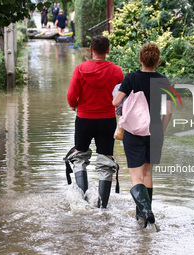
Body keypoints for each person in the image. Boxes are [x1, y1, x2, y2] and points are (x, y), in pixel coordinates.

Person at [113, 43, 172, 228]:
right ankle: (143, 220)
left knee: (136, 177)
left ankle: (147, 214)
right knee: (147, 174)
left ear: (140, 59)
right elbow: (168, 112)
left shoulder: (131, 78)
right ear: (158, 61)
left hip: (134, 132)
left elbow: (116, 102)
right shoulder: (163, 80)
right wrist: (160, 130)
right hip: (154, 130)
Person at [66, 35, 124, 209]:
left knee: (80, 157)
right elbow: (121, 98)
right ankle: (102, 208)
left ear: (91, 49)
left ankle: (82, 203)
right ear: (107, 50)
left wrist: (75, 106)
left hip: (84, 119)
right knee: (106, 161)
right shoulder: (117, 71)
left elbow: (71, 96)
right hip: (107, 120)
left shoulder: (80, 69)